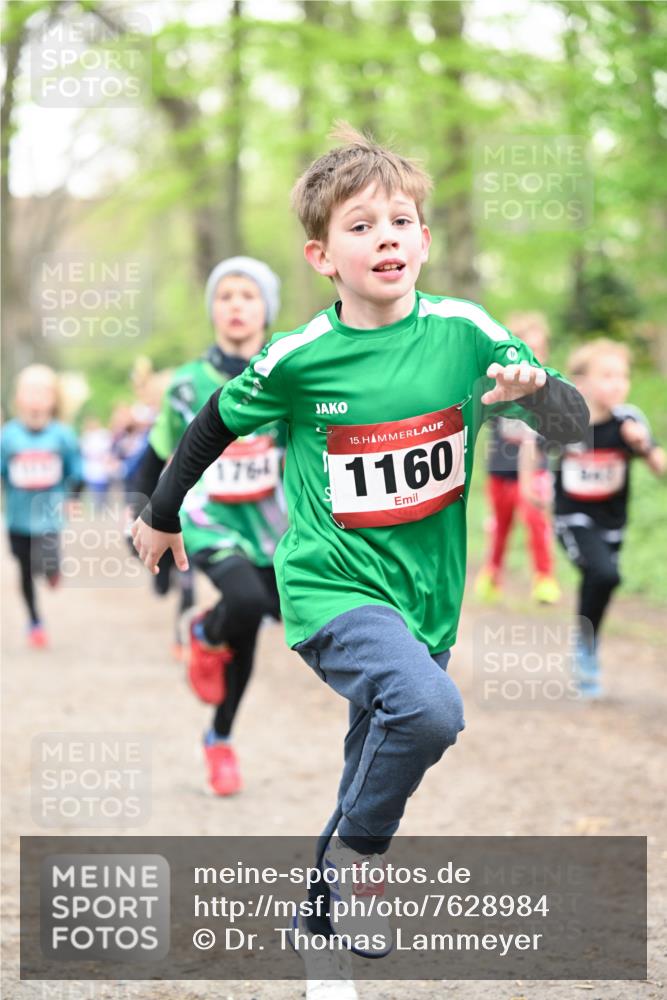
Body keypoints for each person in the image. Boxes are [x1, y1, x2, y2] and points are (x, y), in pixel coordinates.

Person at [130, 125, 588, 997]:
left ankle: (318, 931)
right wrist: (161, 514)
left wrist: (545, 396)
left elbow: (571, 428)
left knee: (364, 765)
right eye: (361, 225)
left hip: (429, 598)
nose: (387, 236)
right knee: (426, 711)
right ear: (321, 255)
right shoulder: (301, 357)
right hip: (330, 586)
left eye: (401, 220)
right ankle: (360, 860)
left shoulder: (465, 333)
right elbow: (212, 422)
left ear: (422, 240)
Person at [132, 256, 286, 796]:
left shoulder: (290, 371)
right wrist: (146, 521)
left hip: (273, 523)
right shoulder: (187, 384)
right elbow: (155, 462)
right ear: (213, 311)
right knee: (243, 604)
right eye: (225, 296)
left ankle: (219, 737)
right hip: (207, 517)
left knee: (250, 629)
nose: (236, 305)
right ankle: (205, 630)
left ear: (267, 307)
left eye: (248, 295)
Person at [554, 338, 665, 697]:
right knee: (604, 573)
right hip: (572, 517)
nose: (618, 383)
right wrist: (532, 485)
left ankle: (586, 645)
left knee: (600, 579)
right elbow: (533, 449)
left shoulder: (629, 420)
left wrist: (642, 445)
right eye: (607, 376)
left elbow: (660, 467)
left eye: (623, 376)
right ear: (582, 383)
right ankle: (586, 652)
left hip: (612, 521)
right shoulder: (567, 420)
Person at [475, 312, 560, 604]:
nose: (533, 354)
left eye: (539, 348)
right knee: (501, 526)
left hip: (535, 471)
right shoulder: (499, 387)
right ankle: (491, 575)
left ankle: (544, 579)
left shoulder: (549, 390)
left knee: (537, 523)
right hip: (500, 469)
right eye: (527, 347)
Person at [1, 365, 81, 648]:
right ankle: (35, 620)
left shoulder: (62, 435)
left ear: (53, 399)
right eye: (29, 391)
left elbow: (76, 471)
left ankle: (52, 569)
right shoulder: (8, 436)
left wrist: (73, 498)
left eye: (43, 391)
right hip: (17, 519)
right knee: (23, 570)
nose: (36, 398)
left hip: (49, 518)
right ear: (18, 398)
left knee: (46, 560)